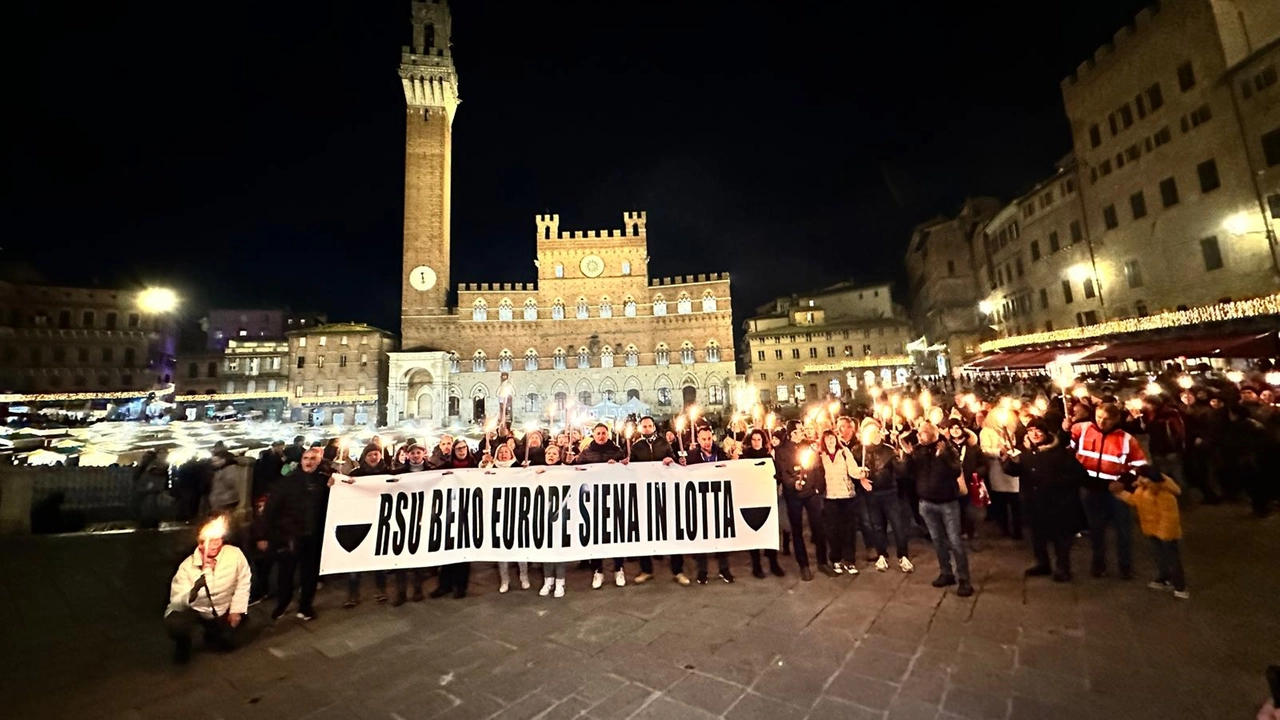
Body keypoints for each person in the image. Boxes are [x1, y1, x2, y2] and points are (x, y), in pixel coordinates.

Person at [1073, 403, 1148, 580]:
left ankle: (1125, 567)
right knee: (1096, 531)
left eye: (1106, 419)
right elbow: (1067, 445)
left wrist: (1124, 481)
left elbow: (1139, 464)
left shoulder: (1126, 439)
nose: (1102, 422)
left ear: (1115, 419)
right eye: (1099, 417)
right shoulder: (1083, 430)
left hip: (1116, 491)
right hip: (1091, 489)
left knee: (1123, 531)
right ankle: (1098, 565)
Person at [1002, 418, 1082, 582]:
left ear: (1046, 433)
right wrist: (1011, 463)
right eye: (1031, 431)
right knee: (1037, 535)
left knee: (1060, 538)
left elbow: (1076, 475)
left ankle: (1063, 568)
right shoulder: (1025, 452)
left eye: (1038, 431)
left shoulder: (1059, 452)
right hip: (1032, 501)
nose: (1035, 434)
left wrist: (1055, 483)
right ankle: (1042, 563)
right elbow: (1014, 471)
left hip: (1056, 502)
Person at [260, 446, 334, 621]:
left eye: (312, 459)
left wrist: (335, 484)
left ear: (318, 461)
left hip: (313, 535)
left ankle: (305, 606)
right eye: (306, 458)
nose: (308, 462)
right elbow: (270, 510)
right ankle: (282, 604)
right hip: (289, 535)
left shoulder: (324, 481)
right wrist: (263, 534)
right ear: (301, 461)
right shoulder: (288, 482)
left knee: (310, 574)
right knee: (286, 574)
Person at [902, 423, 972, 597]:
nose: (919, 436)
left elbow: (956, 471)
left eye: (923, 433)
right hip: (926, 502)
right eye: (918, 433)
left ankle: (964, 579)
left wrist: (943, 458)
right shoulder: (918, 450)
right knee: (937, 539)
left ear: (934, 434)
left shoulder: (947, 448)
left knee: (955, 540)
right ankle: (946, 572)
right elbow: (908, 473)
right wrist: (908, 456)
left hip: (947, 503)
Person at [166, 524, 252, 664]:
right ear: (200, 544)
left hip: (221, 609)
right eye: (209, 541)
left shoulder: (234, 554)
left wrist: (237, 610)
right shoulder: (187, 567)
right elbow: (176, 600)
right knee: (176, 623)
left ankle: (212, 633)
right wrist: (194, 589)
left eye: (218, 539)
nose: (215, 544)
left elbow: (243, 581)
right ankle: (183, 644)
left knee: (227, 643)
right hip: (197, 610)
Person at [1109, 466, 1188, 599]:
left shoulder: (1163, 492)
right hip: (1153, 529)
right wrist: (1120, 493)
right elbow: (1136, 501)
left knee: (1172, 558)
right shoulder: (1145, 488)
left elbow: (1169, 516)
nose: (1138, 478)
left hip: (1164, 532)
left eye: (1140, 476)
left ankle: (1180, 586)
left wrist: (1165, 534)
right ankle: (1164, 578)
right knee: (1159, 555)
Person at [574, 423, 629, 588]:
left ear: (608, 434)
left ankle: (618, 568)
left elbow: (626, 468)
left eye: (604, 433)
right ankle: (597, 570)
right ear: (593, 434)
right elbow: (576, 469)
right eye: (598, 433)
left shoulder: (617, 451)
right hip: (594, 499)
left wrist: (620, 464)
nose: (601, 436)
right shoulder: (586, 452)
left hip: (613, 497)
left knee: (616, 533)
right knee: (596, 534)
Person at [856, 419, 913, 573]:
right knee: (876, 525)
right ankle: (882, 554)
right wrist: (860, 477)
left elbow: (901, 472)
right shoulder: (858, 451)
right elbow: (853, 471)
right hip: (871, 494)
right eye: (870, 432)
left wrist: (903, 458)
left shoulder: (888, 450)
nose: (873, 434)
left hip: (889, 492)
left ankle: (903, 555)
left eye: (876, 431)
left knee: (897, 524)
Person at [776, 421, 827, 582]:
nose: (802, 434)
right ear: (791, 434)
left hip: (811, 492)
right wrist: (793, 483)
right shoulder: (782, 450)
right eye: (798, 431)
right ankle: (803, 565)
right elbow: (783, 472)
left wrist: (818, 487)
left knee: (818, 527)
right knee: (797, 530)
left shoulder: (809, 447)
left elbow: (818, 466)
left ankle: (823, 561)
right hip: (794, 495)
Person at [626, 416, 674, 583]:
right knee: (644, 528)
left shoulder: (663, 443)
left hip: (663, 490)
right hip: (644, 491)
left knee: (670, 526)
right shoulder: (637, 446)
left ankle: (677, 568)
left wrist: (672, 460)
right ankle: (646, 569)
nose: (646, 429)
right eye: (643, 426)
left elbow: (672, 460)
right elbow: (632, 466)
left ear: (654, 427)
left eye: (649, 426)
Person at [684, 426, 734, 584]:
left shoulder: (721, 454)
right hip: (700, 500)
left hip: (719, 498)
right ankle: (702, 570)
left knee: (721, 535)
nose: (707, 442)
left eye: (709, 439)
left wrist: (734, 460)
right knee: (702, 536)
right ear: (698, 440)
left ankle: (724, 568)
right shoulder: (692, 456)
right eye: (703, 439)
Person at [429, 440, 477, 599]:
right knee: (447, 549)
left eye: (463, 447)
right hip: (448, 512)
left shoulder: (476, 465)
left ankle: (460, 586)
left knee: (464, 552)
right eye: (458, 448)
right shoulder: (445, 468)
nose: (461, 450)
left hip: (468, 511)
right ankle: (444, 585)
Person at [345, 444, 390, 608]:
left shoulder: (389, 473)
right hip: (360, 521)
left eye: (376, 454)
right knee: (355, 558)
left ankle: (381, 589)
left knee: (379, 558)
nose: (373, 457)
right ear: (364, 457)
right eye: (370, 454)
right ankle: (353, 593)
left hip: (380, 519)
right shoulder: (356, 474)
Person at [739, 429, 785, 579]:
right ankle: (756, 565)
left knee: (769, 531)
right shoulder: (744, 458)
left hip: (767, 498)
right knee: (754, 531)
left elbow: (777, 475)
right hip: (752, 499)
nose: (756, 442)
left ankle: (773, 563)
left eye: (759, 439)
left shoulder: (768, 458)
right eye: (753, 440)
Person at [483, 445, 530, 592]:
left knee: (519, 545)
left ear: (511, 454)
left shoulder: (519, 467)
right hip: (498, 512)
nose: (503, 454)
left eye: (506, 452)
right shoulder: (491, 468)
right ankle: (505, 579)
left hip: (516, 511)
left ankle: (524, 576)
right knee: (501, 547)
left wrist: (527, 471)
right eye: (501, 452)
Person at [817, 429, 860, 576]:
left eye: (833, 438)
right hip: (830, 496)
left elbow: (852, 468)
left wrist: (861, 473)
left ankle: (849, 560)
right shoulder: (820, 456)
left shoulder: (844, 452)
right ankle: (836, 558)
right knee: (833, 530)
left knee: (848, 529)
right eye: (827, 438)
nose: (831, 441)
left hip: (846, 495)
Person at [944, 418, 987, 551]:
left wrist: (976, 473)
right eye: (952, 429)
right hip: (952, 484)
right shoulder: (946, 447)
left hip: (970, 482)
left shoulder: (972, 447)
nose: (955, 431)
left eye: (957, 428)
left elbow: (984, 464)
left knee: (971, 512)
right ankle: (957, 537)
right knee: (955, 512)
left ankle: (972, 536)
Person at [980, 410, 1022, 539]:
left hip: (1012, 469)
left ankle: (1017, 530)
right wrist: (999, 452)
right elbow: (984, 449)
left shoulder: (1010, 431)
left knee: (1016, 502)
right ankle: (1004, 528)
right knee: (1001, 501)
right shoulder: (987, 432)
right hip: (998, 469)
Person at [536, 444, 569, 597]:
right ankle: (548, 579)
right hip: (544, 515)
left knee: (559, 548)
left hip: (561, 514)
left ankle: (560, 581)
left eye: (554, 453)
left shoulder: (564, 470)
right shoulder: (538, 470)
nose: (551, 455)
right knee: (546, 547)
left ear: (559, 456)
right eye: (548, 452)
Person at [132, 447, 169, 530]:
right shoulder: (145, 468)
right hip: (144, 491)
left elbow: (155, 480)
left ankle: (149, 523)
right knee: (146, 508)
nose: (144, 459)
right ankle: (147, 523)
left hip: (149, 492)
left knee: (149, 508)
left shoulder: (154, 468)